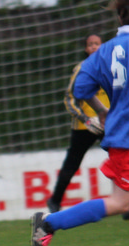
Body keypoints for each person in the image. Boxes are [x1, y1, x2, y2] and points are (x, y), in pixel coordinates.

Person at [32, 0, 129, 246]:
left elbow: (81, 89)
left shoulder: (104, 51)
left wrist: (102, 110)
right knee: (120, 203)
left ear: (119, 17)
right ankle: (49, 223)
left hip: (121, 133)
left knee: (123, 201)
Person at [47, 34, 109, 212]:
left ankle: (128, 205)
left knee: (122, 161)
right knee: (72, 163)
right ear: (85, 49)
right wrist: (85, 119)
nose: (94, 47)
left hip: (108, 123)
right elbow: (70, 98)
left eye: (97, 44)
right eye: (90, 44)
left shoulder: (111, 67)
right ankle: (55, 201)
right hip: (85, 126)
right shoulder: (81, 68)